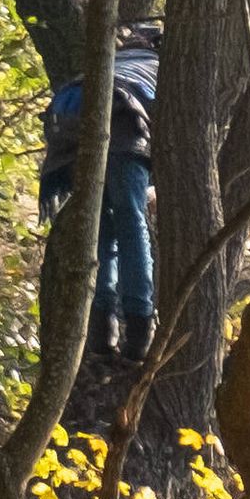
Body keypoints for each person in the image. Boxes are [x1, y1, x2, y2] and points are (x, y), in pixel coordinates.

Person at [38, 38, 159, 388]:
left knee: (100, 231)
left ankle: (101, 331)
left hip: (74, 134)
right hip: (123, 128)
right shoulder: (161, 65)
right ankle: (139, 327)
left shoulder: (113, 62)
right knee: (131, 221)